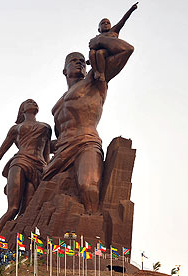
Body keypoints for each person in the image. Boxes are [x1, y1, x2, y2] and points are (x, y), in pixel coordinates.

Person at [43, 33, 134, 213]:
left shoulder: (95, 81)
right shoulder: (57, 106)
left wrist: (100, 41)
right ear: (64, 70)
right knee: (37, 191)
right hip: (61, 152)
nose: (79, 63)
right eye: (74, 61)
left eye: (83, 61)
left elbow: (126, 50)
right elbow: (57, 137)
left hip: (86, 143)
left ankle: (92, 228)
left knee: (88, 187)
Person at [0, 99, 51, 252]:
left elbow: (47, 153)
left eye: (35, 102)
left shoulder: (46, 127)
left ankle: (20, 247)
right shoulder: (16, 129)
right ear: (22, 110)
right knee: (13, 208)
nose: (33, 103)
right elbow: (0, 152)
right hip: (20, 162)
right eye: (28, 102)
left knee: (27, 212)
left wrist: (48, 172)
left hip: (39, 168)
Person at [88, 2, 138, 81]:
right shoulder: (96, 38)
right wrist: (90, 60)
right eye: (103, 23)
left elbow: (123, 20)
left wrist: (131, 9)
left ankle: (101, 73)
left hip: (110, 52)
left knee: (100, 53)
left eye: (108, 23)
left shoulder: (113, 31)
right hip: (99, 55)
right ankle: (96, 72)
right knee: (93, 52)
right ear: (99, 29)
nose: (106, 24)